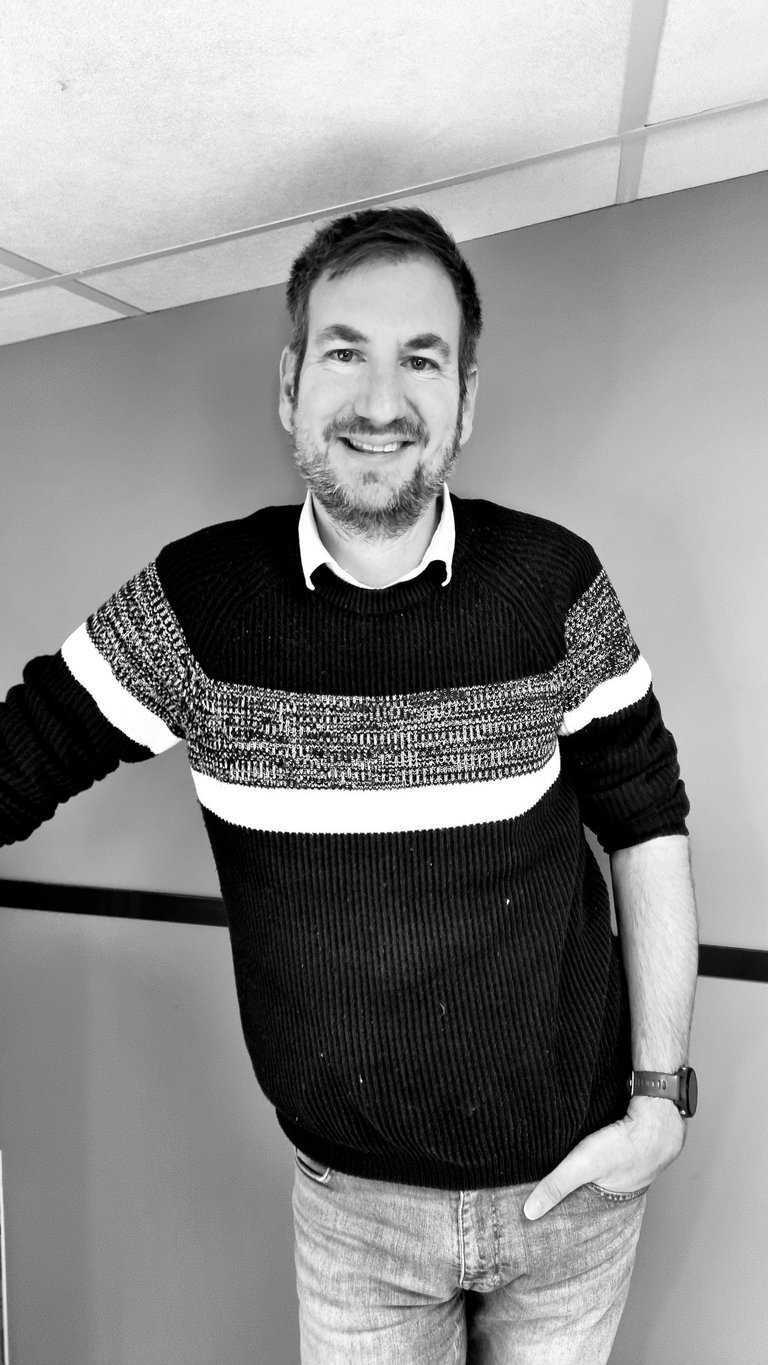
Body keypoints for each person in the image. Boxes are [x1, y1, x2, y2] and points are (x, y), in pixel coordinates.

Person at [1, 207, 698, 1363]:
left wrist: (661, 1101)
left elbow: (647, 822)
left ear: (466, 401)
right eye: (344, 352)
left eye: (421, 359)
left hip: (576, 1195)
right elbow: (15, 758)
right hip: (354, 1219)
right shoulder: (198, 607)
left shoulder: (554, 585)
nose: (382, 400)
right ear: (290, 386)